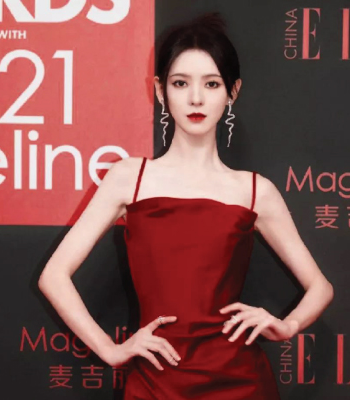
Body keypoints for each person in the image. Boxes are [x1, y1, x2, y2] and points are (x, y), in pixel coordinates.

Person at [38, 11, 334, 400]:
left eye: (211, 84)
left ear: (232, 91)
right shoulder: (129, 178)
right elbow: (54, 276)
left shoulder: (254, 191)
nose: (196, 98)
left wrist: (288, 326)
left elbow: (320, 287)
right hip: (155, 383)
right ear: (160, 91)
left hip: (240, 383)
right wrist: (110, 350)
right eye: (181, 83)